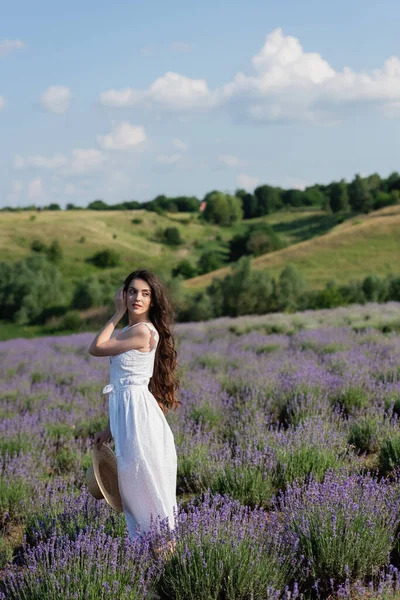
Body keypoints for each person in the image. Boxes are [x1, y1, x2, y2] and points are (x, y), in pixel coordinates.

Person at [89, 269, 180, 556]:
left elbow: (97, 347)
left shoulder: (142, 331)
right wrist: (109, 430)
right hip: (128, 415)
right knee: (133, 488)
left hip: (140, 419)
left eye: (145, 293)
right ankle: (151, 560)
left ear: (153, 301)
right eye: (131, 291)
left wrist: (115, 314)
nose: (136, 298)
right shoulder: (132, 332)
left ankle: (165, 560)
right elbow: (121, 388)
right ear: (124, 293)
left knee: (144, 486)